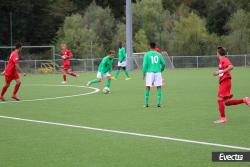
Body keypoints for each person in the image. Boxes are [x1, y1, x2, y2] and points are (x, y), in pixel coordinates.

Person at [213, 47, 250, 123]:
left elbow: (231, 66)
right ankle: (244, 100)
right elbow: (224, 71)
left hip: (225, 82)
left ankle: (223, 118)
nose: (216, 54)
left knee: (219, 99)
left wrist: (219, 72)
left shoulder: (224, 59)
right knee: (226, 102)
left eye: (216, 52)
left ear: (218, 53)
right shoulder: (222, 60)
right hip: (224, 82)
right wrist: (218, 73)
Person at [142, 42, 166, 108]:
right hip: (158, 72)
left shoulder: (147, 54)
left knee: (147, 87)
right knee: (158, 87)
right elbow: (164, 64)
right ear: (155, 47)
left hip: (149, 73)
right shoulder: (159, 54)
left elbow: (144, 65)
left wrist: (143, 74)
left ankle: (146, 104)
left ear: (150, 46)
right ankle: (158, 104)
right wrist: (161, 70)